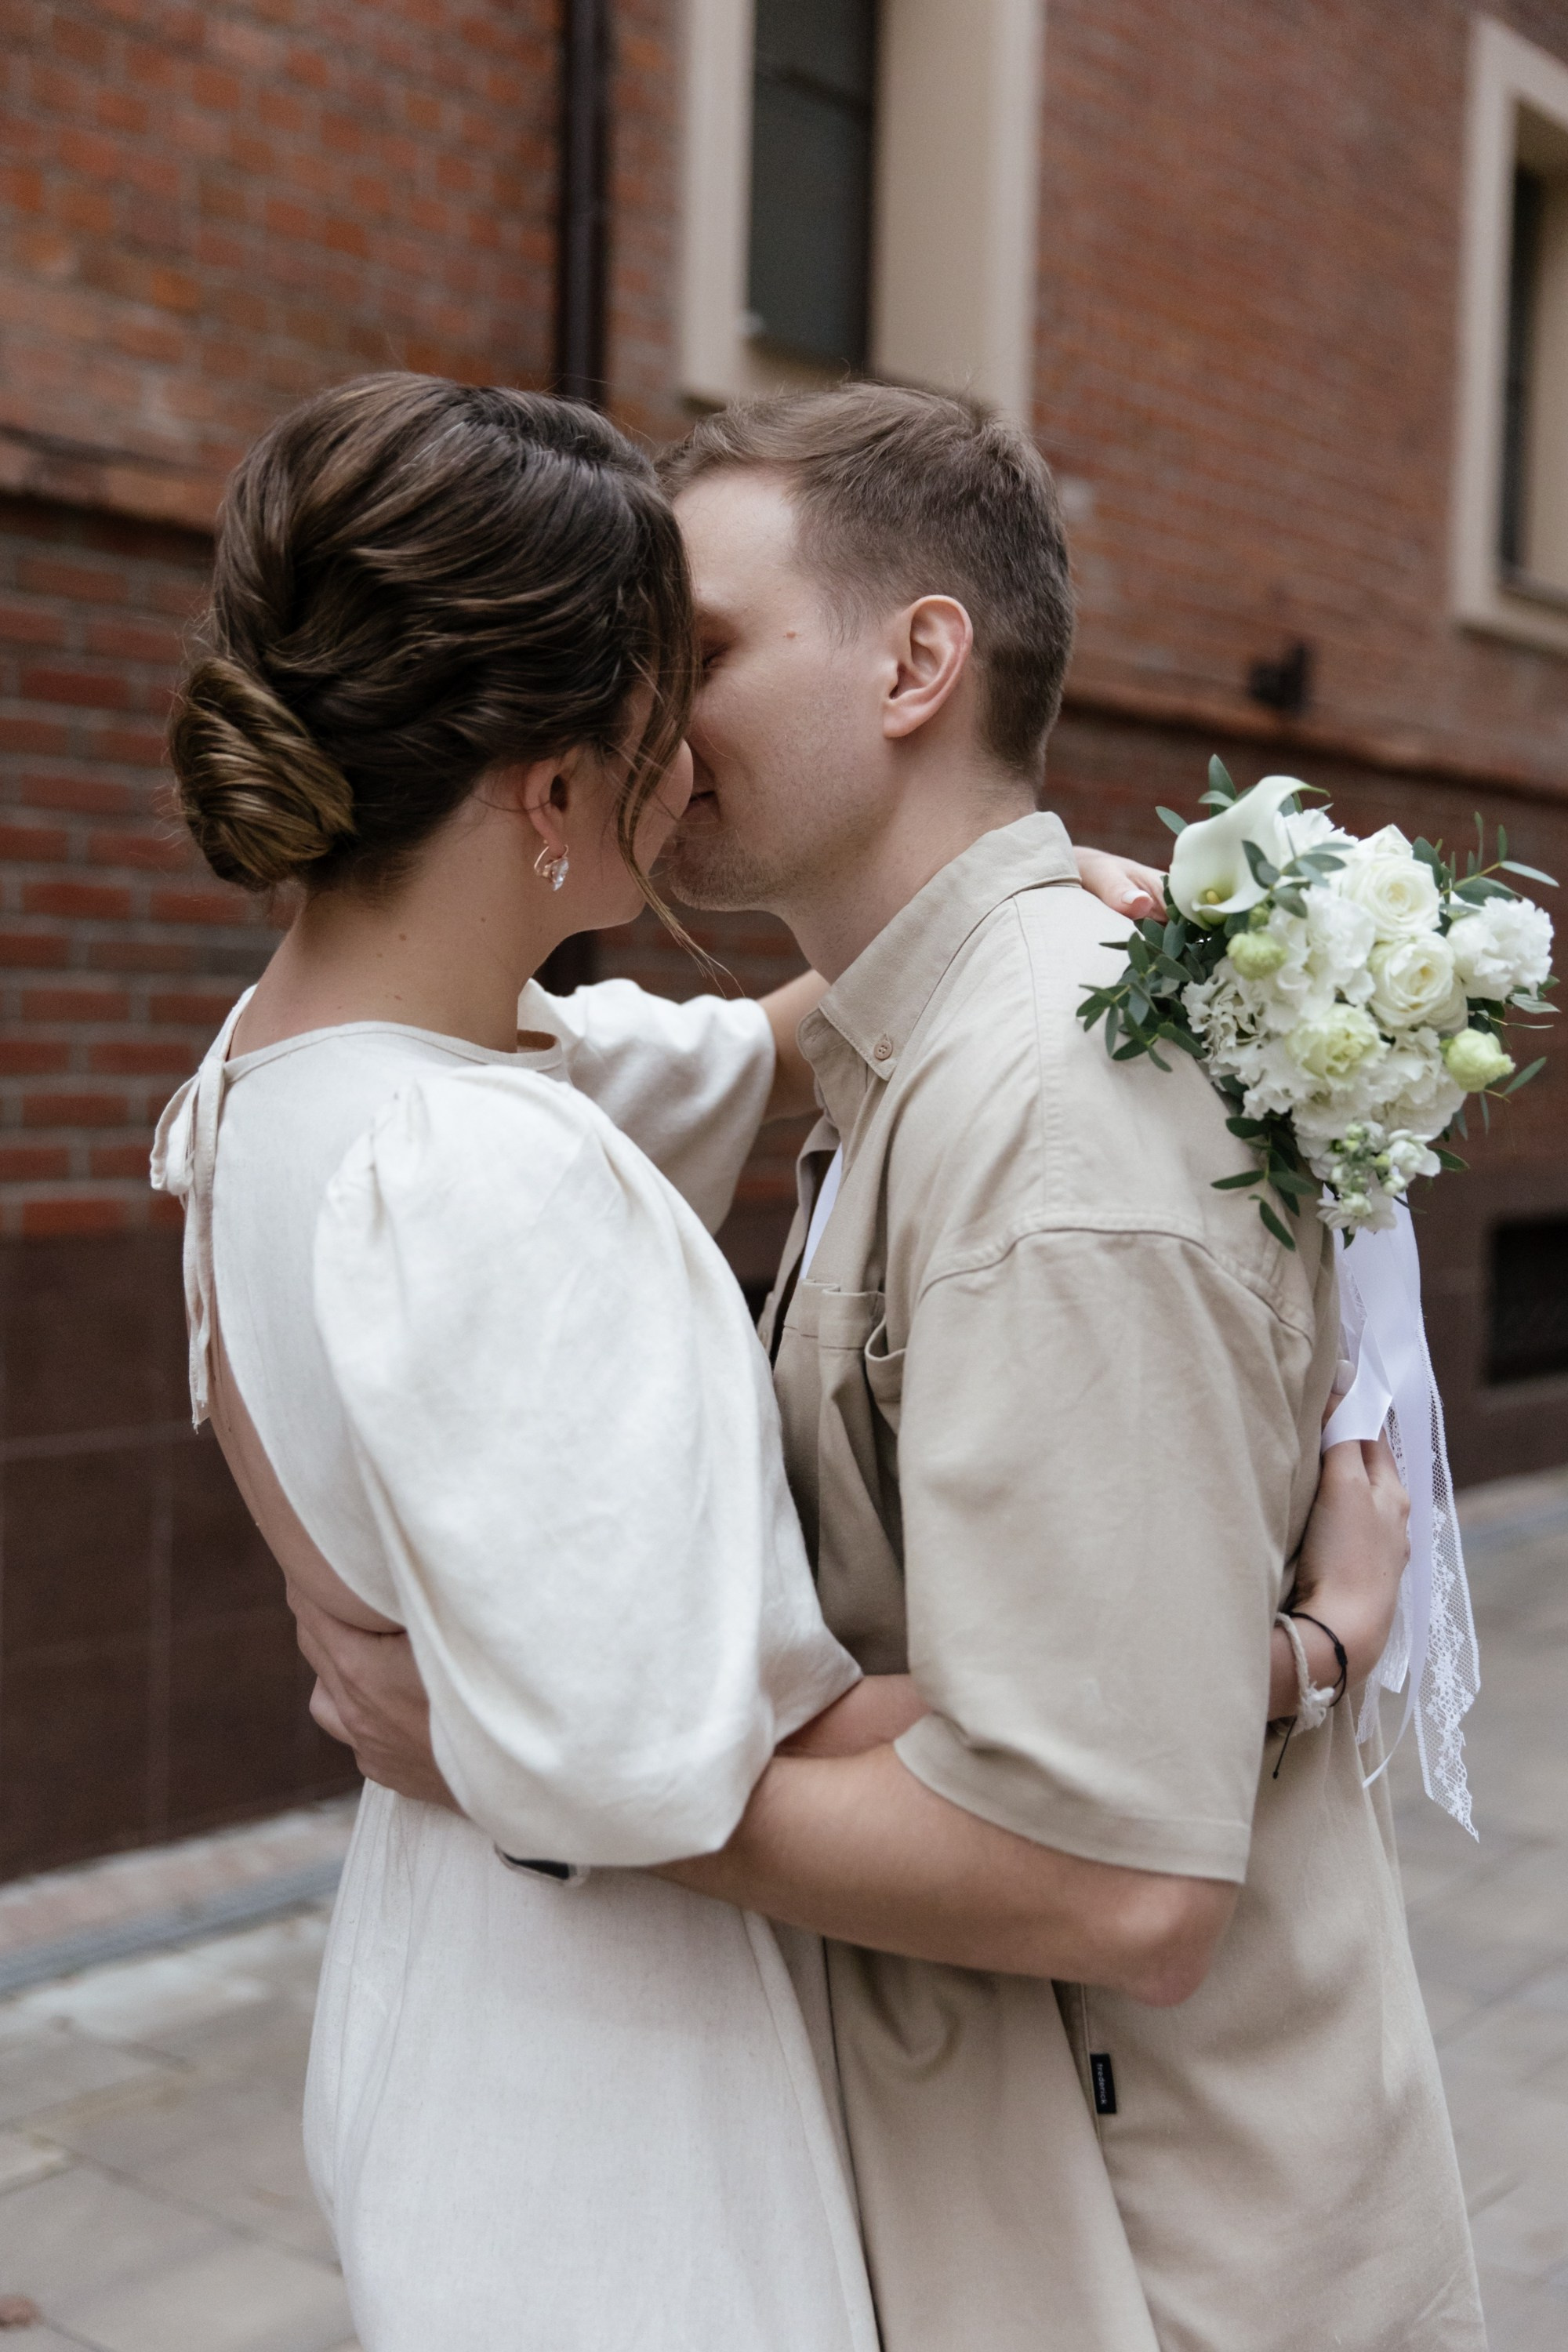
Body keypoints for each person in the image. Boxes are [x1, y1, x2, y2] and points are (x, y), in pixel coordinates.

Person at [309, 383, 1481, 2352]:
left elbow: (1107, 1876)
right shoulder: (940, 1042)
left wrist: (534, 1766)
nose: (645, 725)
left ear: (919, 659)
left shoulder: (1050, 1110)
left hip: (1145, 2254)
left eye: (699, 655)